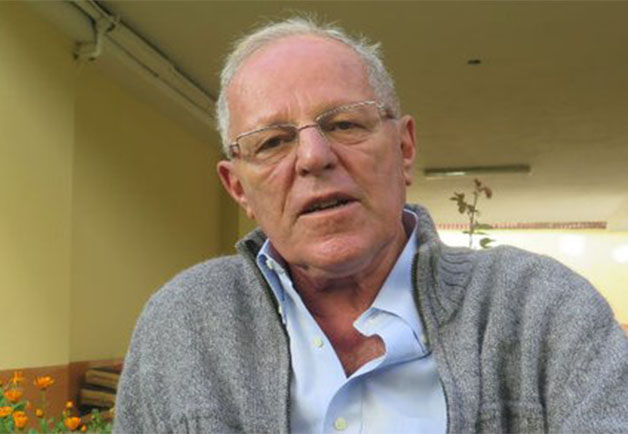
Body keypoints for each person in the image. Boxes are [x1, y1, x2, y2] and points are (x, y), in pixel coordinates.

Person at [113, 17, 628, 433]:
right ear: (239, 188)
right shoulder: (181, 326)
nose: (313, 157)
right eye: (272, 142)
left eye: (344, 123)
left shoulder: (544, 310)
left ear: (404, 148)